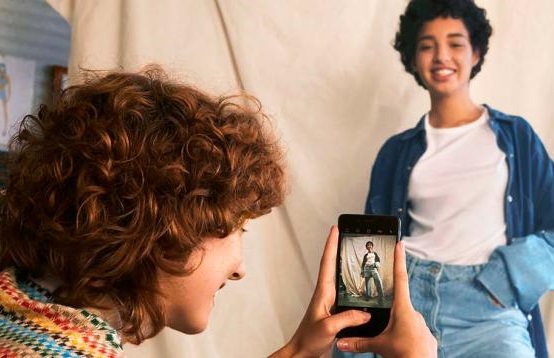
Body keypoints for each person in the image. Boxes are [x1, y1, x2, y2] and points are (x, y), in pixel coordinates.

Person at [0, 68, 436, 357]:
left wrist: (299, 351)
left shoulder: (20, 304)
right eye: (234, 227)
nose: (240, 268)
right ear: (158, 227)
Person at [363, 0, 554, 357]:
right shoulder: (394, 152)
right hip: (407, 307)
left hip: (486, 310)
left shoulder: (517, 138)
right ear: (413, 58)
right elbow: (370, 246)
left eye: (455, 43)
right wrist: (358, 332)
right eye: (426, 45)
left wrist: (505, 281)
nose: (440, 56)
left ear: (476, 53)